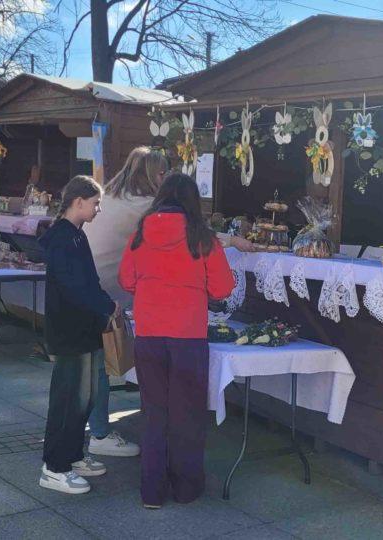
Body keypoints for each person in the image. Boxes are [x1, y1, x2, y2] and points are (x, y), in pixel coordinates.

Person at [119, 172, 235, 509]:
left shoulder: (140, 234)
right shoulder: (203, 238)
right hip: (188, 335)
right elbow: (223, 288)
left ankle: (151, 491)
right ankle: (186, 488)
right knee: (187, 414)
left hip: (149, 333)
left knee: (154, 412)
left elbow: (126, 279)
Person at [82, 146, 169, 459]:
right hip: (104, 290)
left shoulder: (109, 196)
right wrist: (232, 240)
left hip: (83, 283)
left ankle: (87, 427)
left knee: (90, 364)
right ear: (153, 174)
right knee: (98, 365)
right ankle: (100, 434)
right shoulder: (145, 205)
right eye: (162, 173)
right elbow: (186, 233)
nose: (165, 178)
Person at [39, 175, 115, 495]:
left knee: (85, 398)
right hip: (69, 331)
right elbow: (76, 287)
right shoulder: (62, 237)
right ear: (78, 201)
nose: (98, 209)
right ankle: (54, 467)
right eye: (95, 203)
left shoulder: (76, 234)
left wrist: (105, 306)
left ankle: (71, 455)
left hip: (84, 329)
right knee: (68, 400)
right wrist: (106, 305)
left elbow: (88, 282)